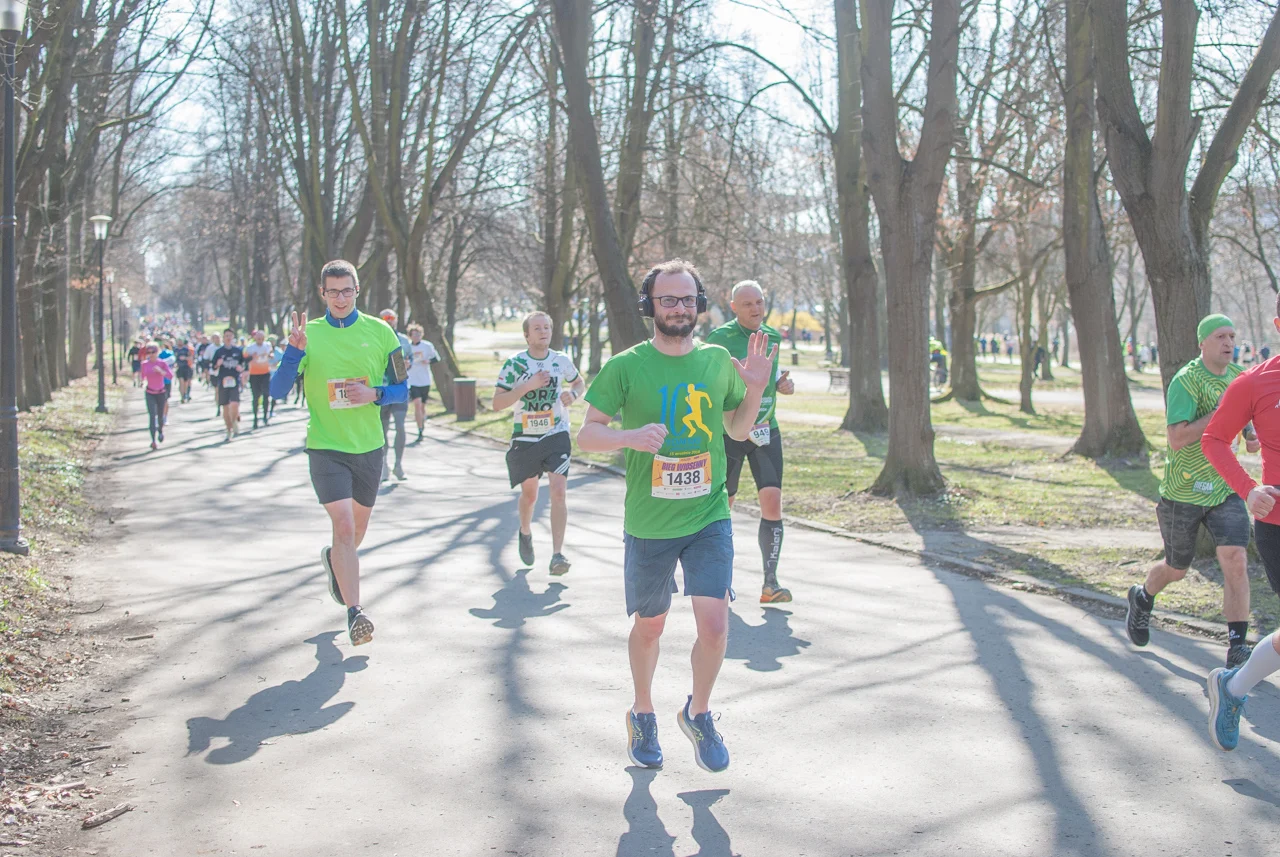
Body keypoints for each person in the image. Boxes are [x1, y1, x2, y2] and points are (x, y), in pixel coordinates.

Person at [577, 259, 773, 773]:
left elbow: (736, 431)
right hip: (650, 522)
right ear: (651, 307)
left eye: (687, 299)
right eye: (669, 299)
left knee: (714, 625)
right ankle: (643, 712)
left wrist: (753, 387)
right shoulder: (626, 365)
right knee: (651, 626)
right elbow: (588, 433)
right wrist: (628, 438)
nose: (680, 307)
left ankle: (699, 712)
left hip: (709, 514)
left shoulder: (715, 360)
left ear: (699, 304)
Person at [268, 260, 407, 646]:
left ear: (357, 290)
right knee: (345, 526)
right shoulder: (306, 334)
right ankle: (355, 612)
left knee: (355, 532)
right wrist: (293, 354)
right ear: (322, 293)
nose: (340, 298)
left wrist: (375, 394)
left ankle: (335, 560)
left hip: (369, 447)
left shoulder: (382, 332)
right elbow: (277, 391)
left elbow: (403, 389)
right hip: (326, 448)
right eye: (333, 291)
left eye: (347, 290)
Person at [1125, 314, 1256, 669]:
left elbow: (1247, 435)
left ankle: (1237, 647)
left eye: (1232, 336)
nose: (1229, 342)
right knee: (1177, 568)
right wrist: (1216, 416)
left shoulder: (1239, 379)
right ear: (1202, 343)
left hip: (1224, 486)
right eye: (1220, 336)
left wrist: (1250, 434)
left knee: (1235, 558)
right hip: (1183, 491)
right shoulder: (1187, 381)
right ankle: (1142, 597)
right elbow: (1178, 437)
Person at [1200, 297, 1280, 751]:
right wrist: (1249, 489)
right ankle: (1232, 690)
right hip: (1278, 520)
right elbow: (1215, 439)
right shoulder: (1255, 382)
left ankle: (1230, 687)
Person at [705, 280, 796, 603]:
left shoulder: (771, 336)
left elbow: (770, 378)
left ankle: (770, 583)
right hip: (730, 432)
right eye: (747, 304)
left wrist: (784, 385)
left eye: (759, 302)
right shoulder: (719, 339)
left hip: (766, 430)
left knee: (772, 501)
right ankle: (721, 580)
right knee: (723, 508)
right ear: (733, 307)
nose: (756, 308)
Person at [492, 311, 586, 576]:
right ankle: (525, 531)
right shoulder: (515, 364)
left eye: (547, 327)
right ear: (526, 335)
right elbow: (497, 403)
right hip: (525, 437)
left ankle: (557, 554)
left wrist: (574, 394)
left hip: (557, 433)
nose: (543, 331)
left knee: (558, 491)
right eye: (537, 328)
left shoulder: (560, 360)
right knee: (530, 495)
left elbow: (579, 382)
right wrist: (527, 386)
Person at [378, 309, 413, 481]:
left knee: (400, 426)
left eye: (391, 318)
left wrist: (407, 364)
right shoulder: (375, 338)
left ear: (396, 320)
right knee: (382, 430)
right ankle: (384, 464)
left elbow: (408, 363)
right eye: (385, 318)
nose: (388, 320)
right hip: (382, 391)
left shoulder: (403, 341)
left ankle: (398, 465)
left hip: (398, 391)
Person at [212, 328, 248, 442]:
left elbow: (243, 365)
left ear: (233, 337)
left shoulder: (237, 351)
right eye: (226, 336)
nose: (228, 338)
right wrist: (217, 364)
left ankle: (234, 422)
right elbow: (213, 366)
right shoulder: (219, 352)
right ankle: (229, 430)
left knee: (235, 405)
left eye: (230, 336)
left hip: (234, 381)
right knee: (225, 408)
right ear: (223, 337)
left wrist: (241, 369)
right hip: (223, 381)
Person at [406, 323, 440, 441]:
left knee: (422, 407)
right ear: (410, 336)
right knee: (417, 404)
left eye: (419, 334)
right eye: (414, 335)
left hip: (425, 380)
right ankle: (420, 430)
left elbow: (436, 358)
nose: (417, 336)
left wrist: (428, 361)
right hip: (412, 379)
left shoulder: (427, 346)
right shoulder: (407, 347)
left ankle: (422, 422)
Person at [140, 342, 172, 450]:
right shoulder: (144, 364)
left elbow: (170, 376)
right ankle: (153, 440)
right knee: (152, 415)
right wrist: (142, 382)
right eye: (148, 352)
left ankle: (161, 431)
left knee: (160, 414)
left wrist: (161, 371)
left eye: (153, 352)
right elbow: (143, 377)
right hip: (150, 392)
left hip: (161, 392)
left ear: (157, 352)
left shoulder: (162, 363)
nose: (151, 354)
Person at [244, 329, 274, 429]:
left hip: (265, 373)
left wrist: (270, 355)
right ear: (255, 338)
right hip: (254, 374)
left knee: (266, 395)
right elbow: (245, 359)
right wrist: (252, 357)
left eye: (262, 338)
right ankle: (255, 418)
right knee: (256, 397)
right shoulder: (250, 347)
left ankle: (265, 416)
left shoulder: (267, 345)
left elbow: (271, 354)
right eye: (258, 338)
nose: (260, 340)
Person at [173, 338, 195, 403]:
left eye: (180, 341)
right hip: (179, 368)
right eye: (178, 341)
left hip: (186, 367)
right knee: (181, 382)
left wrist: (185, 358)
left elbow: (191, 358)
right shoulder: (175, 349)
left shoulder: (186, 349)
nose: (179, 342)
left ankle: (185, 393)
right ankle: (182, 396)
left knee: (185, 382)